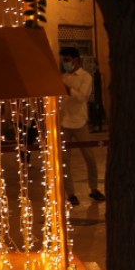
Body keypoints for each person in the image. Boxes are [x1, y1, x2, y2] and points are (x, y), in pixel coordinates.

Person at [60, 47, 103, 206]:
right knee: (64, 161)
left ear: (76, 60)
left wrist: (67, 89)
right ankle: (70, 193)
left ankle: (94, 188)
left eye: (67, 60)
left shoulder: (86, 77)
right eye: (63, 60)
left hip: (80, 122)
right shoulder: (63, 77)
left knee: (89, 157)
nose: (65, 63)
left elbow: (82, 97)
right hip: (64, 123)